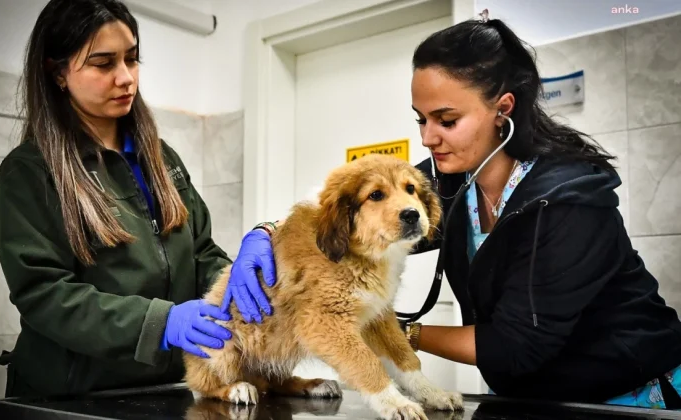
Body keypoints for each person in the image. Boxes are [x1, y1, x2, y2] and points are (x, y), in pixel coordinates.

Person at [250, 12, 681, 410]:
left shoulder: (570, 201)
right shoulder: (447, 181)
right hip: (524, 394)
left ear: (503, 110)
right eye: (421, 119)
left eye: (447, 120)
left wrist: (394, 332)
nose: (427, 138)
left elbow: (517, 345)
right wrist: (267, 232)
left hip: (626, 394)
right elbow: (343, 207)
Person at [0, 0, 275, 398]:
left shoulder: (161, 159)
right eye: (103, 64)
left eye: (133, 59)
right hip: (71, 396)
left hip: (161, 387)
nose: (126, 78)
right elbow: (45, 295)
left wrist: (238, 279)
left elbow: (200, 253)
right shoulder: (30, 173)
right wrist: (161, 322)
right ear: (57, 73)